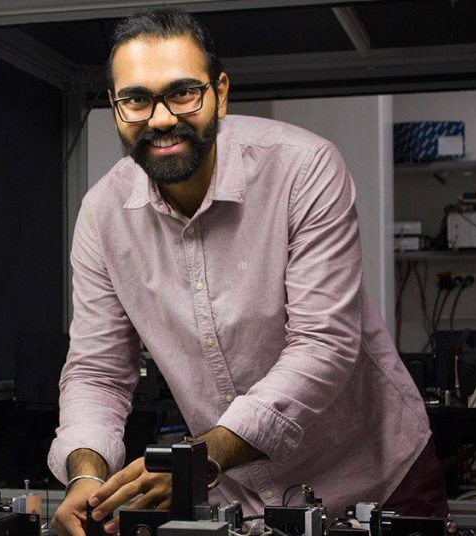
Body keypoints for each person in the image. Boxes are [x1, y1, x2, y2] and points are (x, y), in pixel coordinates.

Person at [48, 7, 447, 536]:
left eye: (184, 92)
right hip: (238, 500)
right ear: (118, 110)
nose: (162, 118)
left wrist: (196, 462)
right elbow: (97, 371)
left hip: (376, 483)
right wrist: (85, 475)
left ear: (221, 92)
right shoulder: (103, 215)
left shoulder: (304, 169)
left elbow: (323, 345)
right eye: (137, 99)